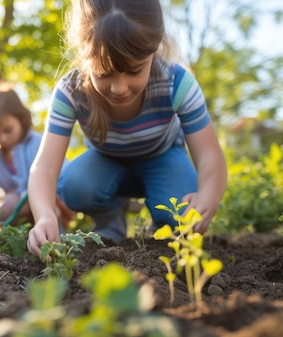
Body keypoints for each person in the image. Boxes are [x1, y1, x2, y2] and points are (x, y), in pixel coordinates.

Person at [26, 0, 227, 257]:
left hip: (162, 158)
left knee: (180, 210)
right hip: (105, 161)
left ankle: (160, 227)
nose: (119, 88)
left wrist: (208, 196)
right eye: (103, 72)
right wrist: (45, 216)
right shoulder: (71, 92)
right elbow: (44, 167)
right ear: (84, 55)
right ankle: (111, 222)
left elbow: (210, 155)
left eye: (133, 70)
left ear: (153, 49)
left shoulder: (177, 83)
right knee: (76, 185)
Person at [0, 81, 75, 227]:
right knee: (1, 212)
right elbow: (6, 193)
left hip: (53, 202)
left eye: (7, 130)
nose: (2, 138)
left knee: (16, 206)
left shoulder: (40, 143)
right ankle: (17, 236)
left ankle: (56, 236)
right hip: (24, 209)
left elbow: (63, 176)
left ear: (22, 119)